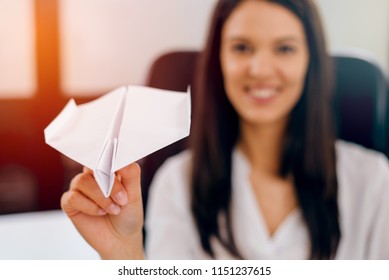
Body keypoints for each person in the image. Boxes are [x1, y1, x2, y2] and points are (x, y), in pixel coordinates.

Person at [61, 0, 389, 260]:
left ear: (310, 61)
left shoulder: (373, 181)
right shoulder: (178, 183)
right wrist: (123, 253)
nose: (260, 70)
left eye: (285, 48)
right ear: (218, 59)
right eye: (242, 48)